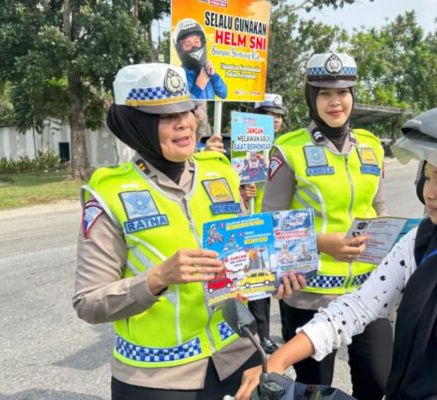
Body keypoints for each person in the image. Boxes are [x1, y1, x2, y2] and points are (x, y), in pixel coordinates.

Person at [236, 103, 437, 400]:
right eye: (427, 178)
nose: (429, 194)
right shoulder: (422, 241)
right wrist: (280, 358)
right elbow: (358, 306)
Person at [72, 63, 304, 400]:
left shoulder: (219, 171)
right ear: (136, 124)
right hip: (158, 379)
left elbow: (246, 261)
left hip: (239, 361)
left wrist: (275, 273)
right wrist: (158, 278)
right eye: (166, 116)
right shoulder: (108, 194)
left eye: (188, 109)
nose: (184, 122)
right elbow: (88, 302)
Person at [257, 52, 392, 400]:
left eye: (343, 92)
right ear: (311, 98)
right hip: (309, 297)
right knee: (316, 392)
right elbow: (268, 226)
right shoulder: (288, 151)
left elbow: (379, 211)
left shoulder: (371, 147)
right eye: (325, 93)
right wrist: (319, 242)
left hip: (368, 293)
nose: (336, 101)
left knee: (377, 383)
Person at [243, 93, 287, 354]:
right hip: (255, 223)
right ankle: (262, 335)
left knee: (284, 280)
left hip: (280, 223)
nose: (276, 120)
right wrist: (241, 192)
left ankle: (288, 330)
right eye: (270, 115)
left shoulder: (283, 147)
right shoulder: (244, 147)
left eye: (279, 115)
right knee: (259, 282)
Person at [174, 18, 227, 100]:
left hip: (206, 112)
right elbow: (182, 107)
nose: (194, 47)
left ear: (202, 42)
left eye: (196, 42)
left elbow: (223, 93)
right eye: (188, 44)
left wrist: (214, 76)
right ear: (180, 48)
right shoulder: (180, 76)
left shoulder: (206, 69)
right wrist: (198, 87)